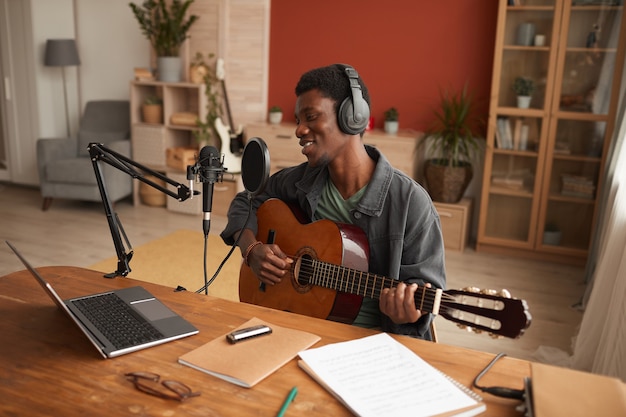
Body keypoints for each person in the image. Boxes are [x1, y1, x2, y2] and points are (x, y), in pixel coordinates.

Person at [220, 63, 446, 340]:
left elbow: (426, 293)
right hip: (297, 326)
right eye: (298, 120)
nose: (299, 130)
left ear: (352, 117)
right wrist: (251, 248)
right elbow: (246, 202)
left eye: (311, 116)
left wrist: (410, 313)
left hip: (373, 342)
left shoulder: (411, 203)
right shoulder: (300, 181)